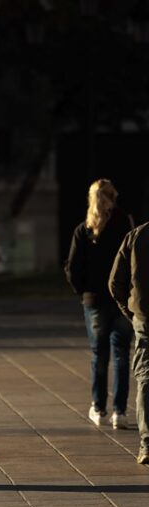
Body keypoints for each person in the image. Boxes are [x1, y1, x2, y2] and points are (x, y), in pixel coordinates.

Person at [65, 179, 133, 430]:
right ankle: (120, 412)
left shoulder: (84, 229)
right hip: (121, 298)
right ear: (113, 197)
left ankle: (99, 408)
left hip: (94, 300)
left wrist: (82, 291)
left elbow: (73, 268)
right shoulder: (125, 223)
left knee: (99, 354)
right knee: (121, 354)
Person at [110, 217, 149, 465]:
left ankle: (147, 444)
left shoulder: (136, 236)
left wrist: (131, 312)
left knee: (146, 378)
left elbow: (115, 283)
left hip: (145, 318)